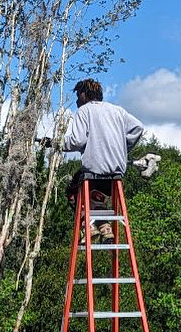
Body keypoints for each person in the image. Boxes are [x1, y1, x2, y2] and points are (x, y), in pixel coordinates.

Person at [44, 79, 144, 243]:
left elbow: (77, 141)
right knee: (95, 197)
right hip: (116, 171)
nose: (77, 100)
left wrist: (54, 143)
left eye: (78, 95)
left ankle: (87, 227)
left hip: (95, 169)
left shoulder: (84, 111)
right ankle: (106, 230)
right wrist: (123, 148)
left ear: (85, 94)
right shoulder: (117, 110)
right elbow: (138, 128)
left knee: (72, 192)